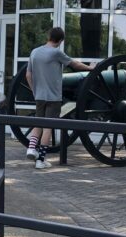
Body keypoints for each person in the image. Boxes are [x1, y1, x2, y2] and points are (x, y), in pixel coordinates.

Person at [25, 26, 93, 169]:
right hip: (53, 97)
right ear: (61, 40)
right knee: (48, 127)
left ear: (49, 36)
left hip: (39, 96)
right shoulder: (56, 53)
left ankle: (31, 149)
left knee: (38, 123)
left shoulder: (35, 52)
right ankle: (40, 160)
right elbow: (75, 64)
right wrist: (91, 68)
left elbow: (28, 75)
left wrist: (34, 91)